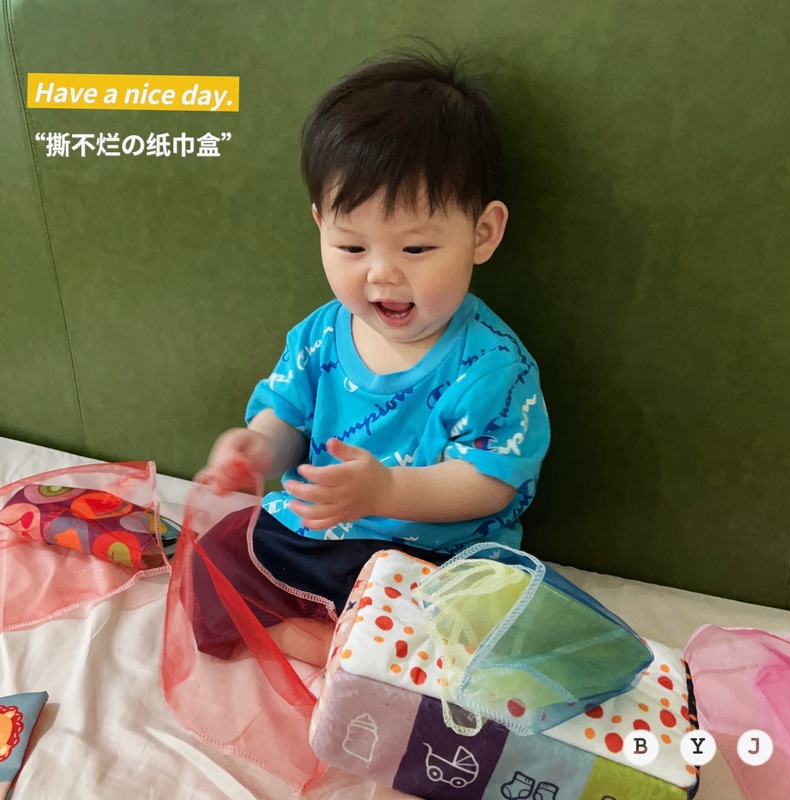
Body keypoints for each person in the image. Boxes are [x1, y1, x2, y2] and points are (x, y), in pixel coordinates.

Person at [191, 42, 551, 660]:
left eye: (416, 249)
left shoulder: (493, 365)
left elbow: (488, 484)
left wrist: (385, 491)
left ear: (483, 233)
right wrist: (256, 450)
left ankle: (353, 651)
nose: (381, 275)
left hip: (433, 556)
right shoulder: (319, 336)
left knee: (480, 625)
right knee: (214, 557)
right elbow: (286, 419)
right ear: (320, 226)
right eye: (352, 248)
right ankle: (324, 644)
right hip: (323, 535)